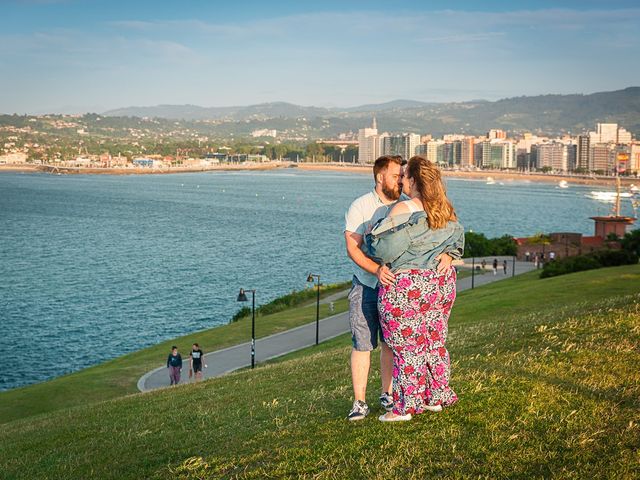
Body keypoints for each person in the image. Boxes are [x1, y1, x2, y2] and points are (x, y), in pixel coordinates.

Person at [367, 155, 463, 422]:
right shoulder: (444, 209)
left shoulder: (404, 210)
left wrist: (373, 235)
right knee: (433, 341)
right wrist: (450, 254)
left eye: (405, 175)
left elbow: (384, 250)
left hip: (408, 286)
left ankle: (404, 407)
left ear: (413, 180)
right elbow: (458, 236)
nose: (402, 180)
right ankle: (435, 396)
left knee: (406, 345)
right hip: (437, 284)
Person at [343, 155, 403, 421]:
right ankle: (359, 402)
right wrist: (375, 270)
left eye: (402, 176)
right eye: (395, 176)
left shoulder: (407, 205)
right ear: (380, 177)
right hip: (366, 286)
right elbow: (352, 247)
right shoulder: (361, 206)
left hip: (397, 287)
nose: (400, 180)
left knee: (390, 343)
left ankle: (388, 394)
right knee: (363, 343)